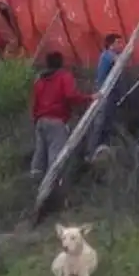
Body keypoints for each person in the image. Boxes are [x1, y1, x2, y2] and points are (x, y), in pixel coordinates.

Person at [31, 52, 93, 180]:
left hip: (40, 121)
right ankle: (53, 186)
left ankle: (34, 183)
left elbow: (34, 102)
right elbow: (71, 95)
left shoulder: (40, 80)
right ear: (61, 63)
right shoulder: (64, 77)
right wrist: (89, 98)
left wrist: (35, 119)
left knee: (40, 154)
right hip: (56, 121)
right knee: (56, 156)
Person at [87, 33, 125, 162]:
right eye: (118, 42)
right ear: (110, 45)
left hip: (110, 95)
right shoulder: (107, 55)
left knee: (107, 123)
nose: (121, 45)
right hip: (103, 94)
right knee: (99, 123)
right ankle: (91, 153)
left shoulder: (111, 56)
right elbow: (119, 61)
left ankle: (102, 151)